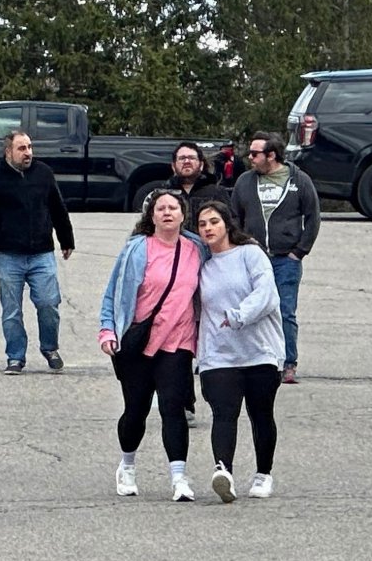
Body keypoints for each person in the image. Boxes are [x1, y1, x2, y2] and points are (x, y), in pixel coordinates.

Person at [98, 189, 209, 501]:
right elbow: (114, 293)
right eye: (161, 208)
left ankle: (179, 478)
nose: (167, 213)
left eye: (173, 208)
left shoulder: (196, 248)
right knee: (136, 410)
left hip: (178, 342)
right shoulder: (137, 249)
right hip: (138, 342)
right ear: (151, 216)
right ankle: (128, 466)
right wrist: (107, 331)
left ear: (183, 215)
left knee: (173, 407)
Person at [194, 201, 283, 503]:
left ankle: (263, 474)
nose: (208, 228)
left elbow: (267, 294)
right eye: (202, 224)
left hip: (259, 351)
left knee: (261, 414)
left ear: (228, 224)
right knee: (224, 413)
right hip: (218, 355)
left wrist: (237, 315)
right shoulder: (202, 266)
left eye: (214, 222)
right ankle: (224, 472)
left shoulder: (250, 254)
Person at [0, 131, 75, 375]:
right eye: (21, 148)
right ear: (8, 152)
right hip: (8, 254)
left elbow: (58, 208)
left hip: (41, 253)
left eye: (29, 147)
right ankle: (15, 357)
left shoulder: (43, 173)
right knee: (12, 310)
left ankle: (50, 347)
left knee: (49, 303)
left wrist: (66, 239)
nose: (28, 152)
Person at [230, 131, 320, 384]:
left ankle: (288, 362)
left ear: (271, 155)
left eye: (255, 153)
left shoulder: (299, 180)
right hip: (253, 258)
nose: (250, 158)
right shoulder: (245, 182)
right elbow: (234, 216)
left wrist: (298, 252)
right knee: (249, 309)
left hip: (285, 259)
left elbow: (313, 216)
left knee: (285, 311)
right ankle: (252, 358)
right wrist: (242, 243)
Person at [164, 141, 231, 426]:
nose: (187, 162)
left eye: (192, 158)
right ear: (174, 165)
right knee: (181, 342)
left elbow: (231, 227)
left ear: (201, 164)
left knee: (212, 336)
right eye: (181, 158)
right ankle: (185, 404)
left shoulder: (215, 193)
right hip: (177, 274)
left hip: (210, 271)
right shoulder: (165, 195)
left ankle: (222, 402)